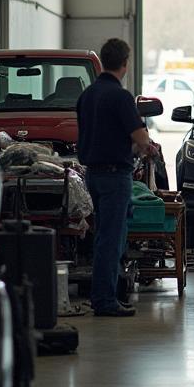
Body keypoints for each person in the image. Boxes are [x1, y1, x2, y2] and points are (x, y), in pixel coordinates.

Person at [77, 38, 158, 317]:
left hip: (93, 176)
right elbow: (139, 137)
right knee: (111, 239)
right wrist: (148, 146)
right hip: (114, 176)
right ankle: (104, 300)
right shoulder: (120, 97)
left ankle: (106, 295)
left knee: (105, 236)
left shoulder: (87, 95)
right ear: (125, 64)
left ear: (102, 60)